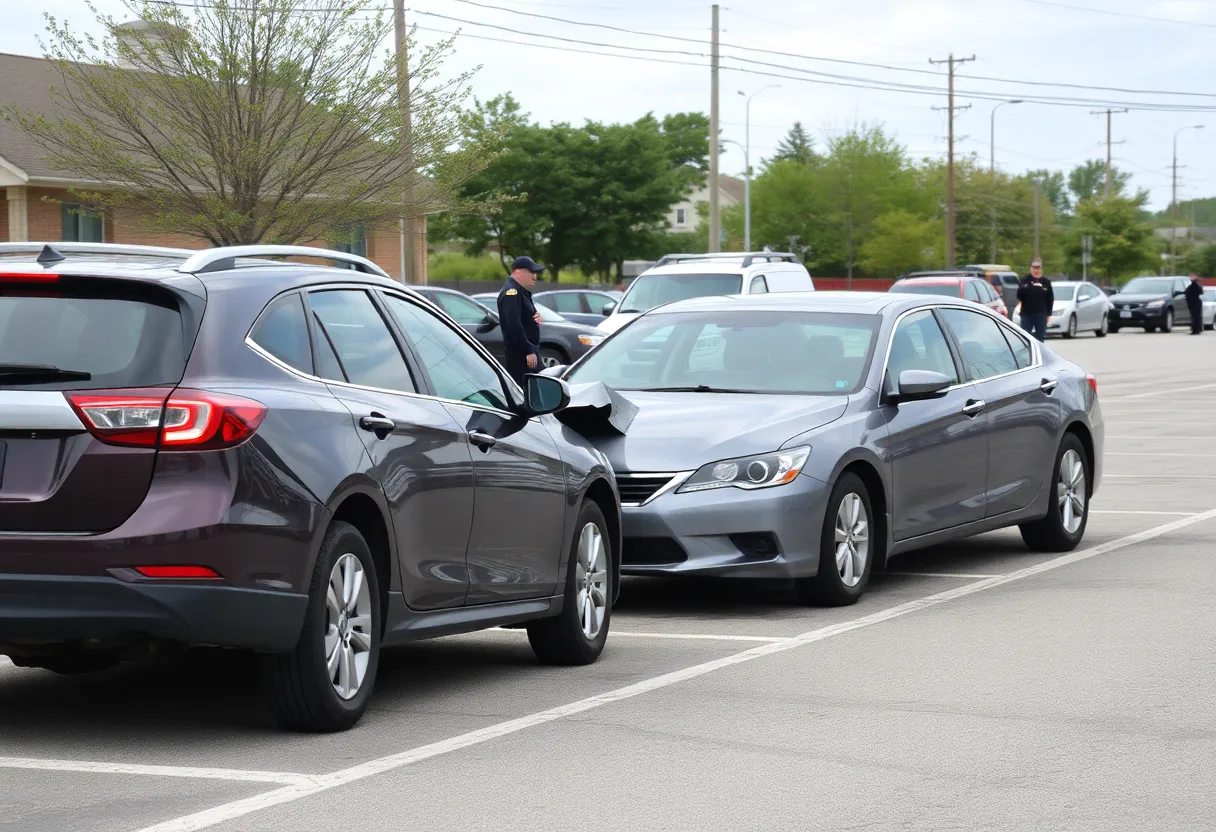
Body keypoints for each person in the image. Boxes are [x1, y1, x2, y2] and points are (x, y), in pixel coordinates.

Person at [497, 255, 546, 386]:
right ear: (518, 273)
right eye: (531, 272)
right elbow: (514, 326)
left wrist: (535, 316)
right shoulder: (512, 293)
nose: (535, 277)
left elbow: (523, 318)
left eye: (535, 273)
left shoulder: (521, 292)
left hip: (528, 351)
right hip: (521, 356)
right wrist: (528, 350)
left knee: (538, 387)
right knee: (528, 391)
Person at [1016, 259, 1054, 342]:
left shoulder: (1046, 282)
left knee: (1040, 337)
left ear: (1041, 269)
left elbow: (1050, 299)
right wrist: (1025, 288)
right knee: (1025, 336)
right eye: (1034, 268)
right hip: (1027, 313)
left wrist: (1049, 314)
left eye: (1038, 268)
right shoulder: (1025, 280)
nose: (1036, 270)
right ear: (1031, 268)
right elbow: (1019, 296)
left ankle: (1039, 353)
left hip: (1041, 314)